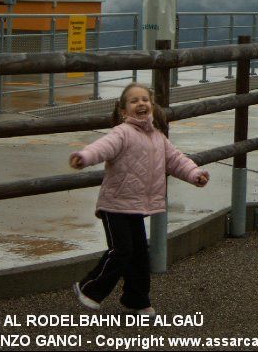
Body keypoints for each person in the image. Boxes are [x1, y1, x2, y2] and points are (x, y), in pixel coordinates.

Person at [69, 82, 209, 315]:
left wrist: (195, 174)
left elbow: (176, 160)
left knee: (139, 254)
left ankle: (137, 300)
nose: (141, 103)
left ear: (151, 106)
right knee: (121, 250)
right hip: (114, 204)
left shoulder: (158, 137)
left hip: (135, 206)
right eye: (134, 101)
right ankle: (89, 288)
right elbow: (102, 147)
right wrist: (84, 157)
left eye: (144, 99)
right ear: (124, 111)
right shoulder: (122, 133)